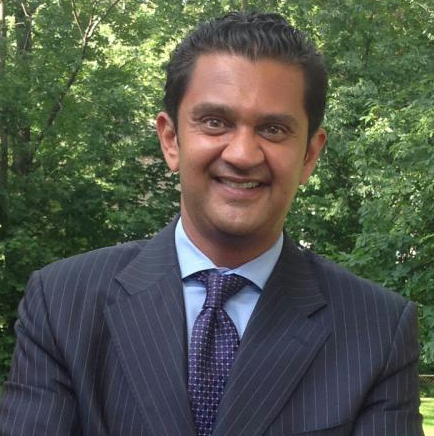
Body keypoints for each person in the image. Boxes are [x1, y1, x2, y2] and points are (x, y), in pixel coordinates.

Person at [0, 11, 424, 436]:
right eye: (215, 122)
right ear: (171, 139)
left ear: (309, 155)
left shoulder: (376, 329)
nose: (242, 154)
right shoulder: (63, 303)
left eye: (273, 129)